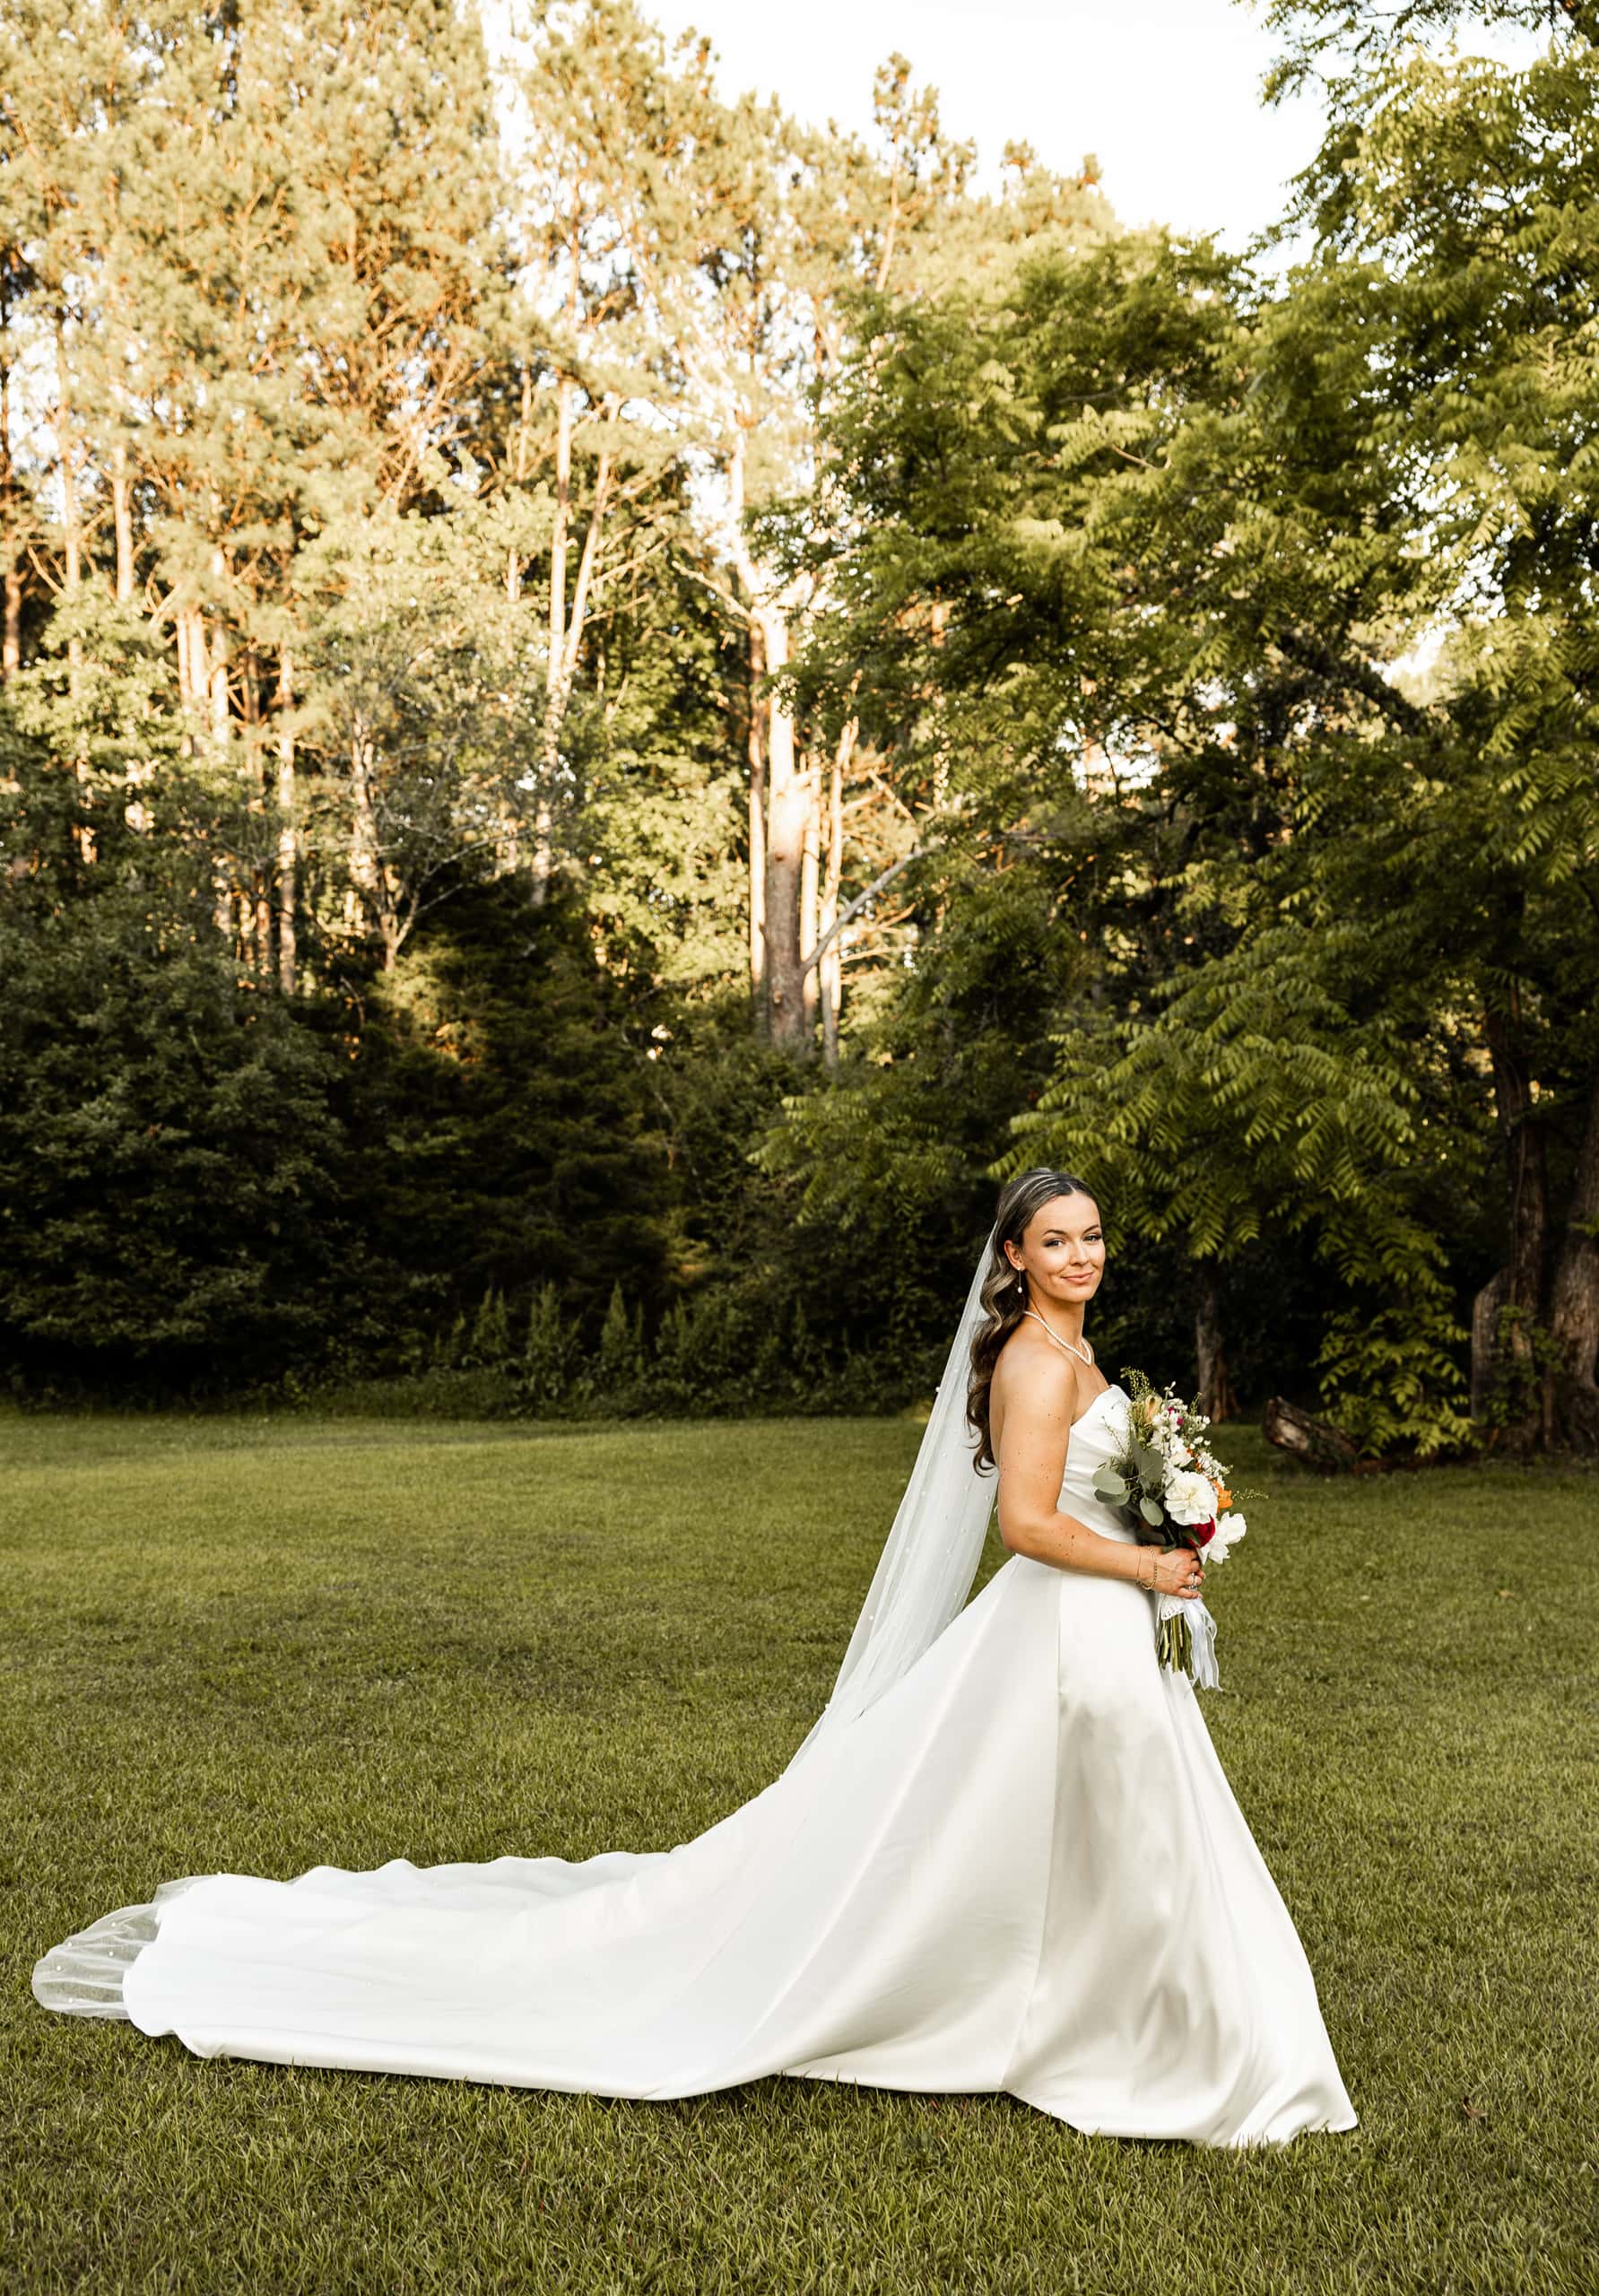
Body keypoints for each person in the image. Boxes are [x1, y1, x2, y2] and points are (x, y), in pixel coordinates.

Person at [34, 1168, 1355, 2146]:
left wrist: (1174, 1515)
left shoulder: (1079, 1348)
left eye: (1094, 1238)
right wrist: (1145, 1559)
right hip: (1066, 1626)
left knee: (1107, 1827)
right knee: (1079, 1825)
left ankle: (1137, 2019)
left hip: (1103, 1627)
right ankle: (1145, 2036)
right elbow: (1021, 1524)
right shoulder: (1028, 1361)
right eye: (1056, 1242)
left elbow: (1083, 1491)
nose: (1081, 1257)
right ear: (1013, 1255)